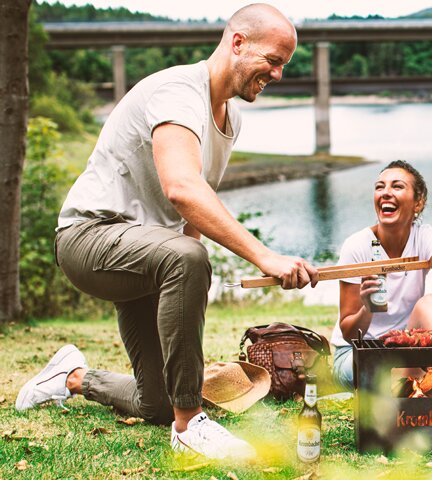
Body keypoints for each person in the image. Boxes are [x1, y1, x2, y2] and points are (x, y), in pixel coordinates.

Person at [15, 4, 314, 461]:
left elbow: (194, 215)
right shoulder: (178, 91)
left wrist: (182, 282)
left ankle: (73, 376)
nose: (277, 74)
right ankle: (190, 425)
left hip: (147, 254)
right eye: (273, 60)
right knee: (186, 260)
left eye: (283, 65)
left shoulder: (229, 119)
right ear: (237, 43)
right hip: (89, 237)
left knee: (153, 400)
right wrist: (263, 256)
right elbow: (182, 189)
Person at [331, 160, 432, 389]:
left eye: (397, 186)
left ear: (418, 202)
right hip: (357, 352)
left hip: (405, 344)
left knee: (431, 303)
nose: (385, 193)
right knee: (387, 368)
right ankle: (431, 379)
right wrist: (367, 309)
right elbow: (349, 335)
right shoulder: (357, 246)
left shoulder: (425, 236)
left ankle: (431, 374)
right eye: (379, 187)